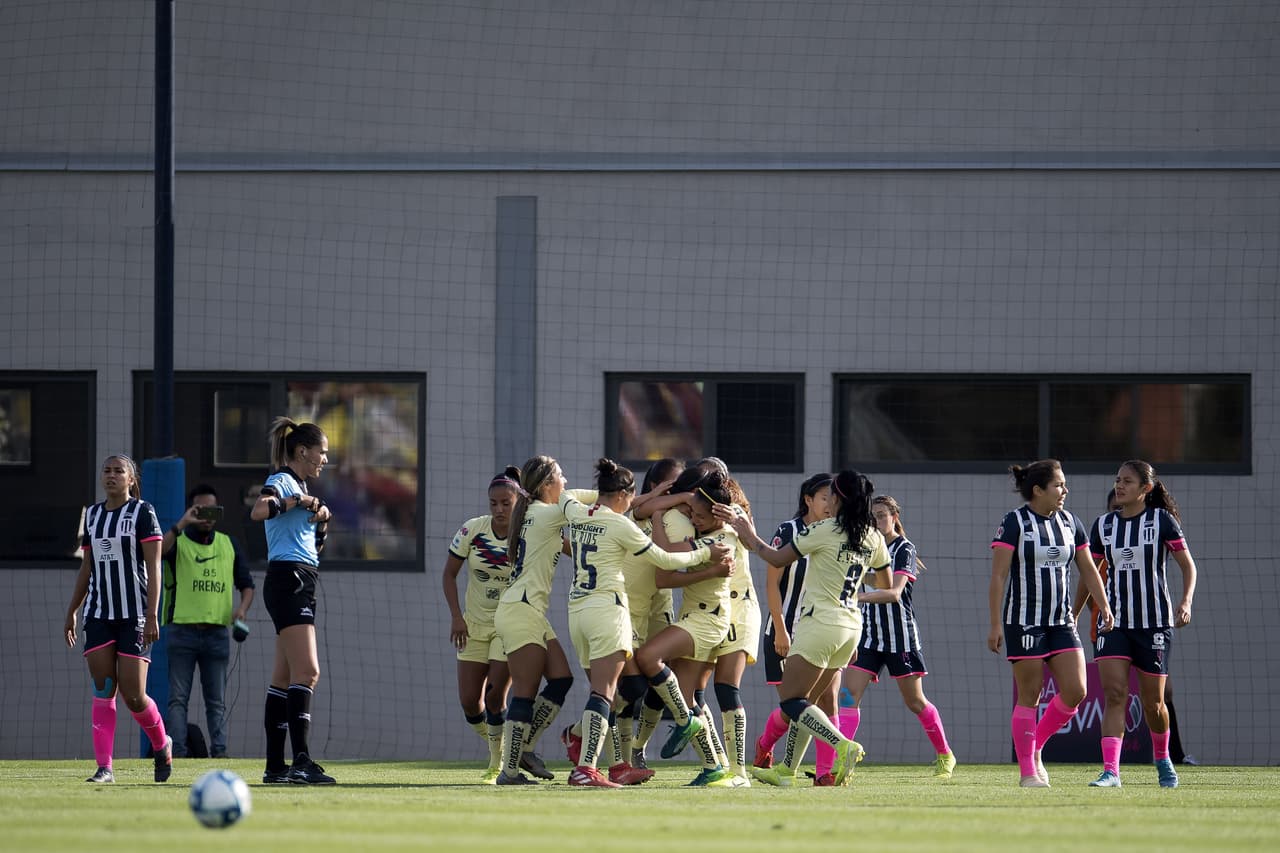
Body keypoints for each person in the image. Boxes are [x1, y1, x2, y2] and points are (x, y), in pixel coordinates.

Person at [562, 458, 728, 787]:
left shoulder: (579, 512)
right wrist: (705, 557)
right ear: (632, 492)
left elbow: (568, 494)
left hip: (580, 610)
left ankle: (613, 759)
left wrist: (632, 499)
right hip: (611, 610)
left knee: (630, 688)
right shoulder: (632, 522)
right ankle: (588, 766)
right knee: (610, 693)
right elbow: (665, 562)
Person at [719, 469, 890, 788]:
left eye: (830, 496)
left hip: (819, 625)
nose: (827, 501)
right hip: (851, 626)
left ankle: (842, 746)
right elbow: (886, 584)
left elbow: (774, 556)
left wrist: (747, 532)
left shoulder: (825, 529)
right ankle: (787, 771)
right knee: (810, 702)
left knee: (792, 700)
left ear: (838, 498)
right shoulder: (872, 536)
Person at [988, 458, 1113, 788]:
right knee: (1030, 694)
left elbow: (1088, 569)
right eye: (1058, 485)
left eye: (1064, 484)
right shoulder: (1014, 522)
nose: (1064, 491)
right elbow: (999, 576)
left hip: (1061, 622)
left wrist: (1104, 606)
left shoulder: (1072, 523)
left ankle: (1036, 744)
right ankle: (1028, 771)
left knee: (1076, 691)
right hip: (1023, 621)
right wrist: (995, 624)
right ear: (1038, 490)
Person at [1081, 461, 1198, 789]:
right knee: (1115, 694)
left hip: (1155, 625)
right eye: (1117, 480)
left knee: (1154, 703)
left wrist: (1185, 602)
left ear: (1146, 488)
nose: (1119, 486)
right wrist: (1074, 612)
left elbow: (1189, 566)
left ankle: (1163, 761)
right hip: (1114, 624)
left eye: (1127, 482)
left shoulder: (1162, 521)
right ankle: (1111, 771)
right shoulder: (1103, 526)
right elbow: (1090, 574)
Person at [63, 454, 173, 783]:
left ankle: (161, 744)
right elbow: (87, 567)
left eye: (119, 471)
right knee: (103, 686)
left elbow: (154, 566)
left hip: (135, 614)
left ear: (131, 479)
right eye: (107, 470)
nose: (111, 475)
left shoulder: (143, 512)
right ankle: (104, 768)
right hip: (99, 613)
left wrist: (152, 613)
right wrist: (72, 609)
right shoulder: (93, 516)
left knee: (134, 694)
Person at [633, 469, 741, 787]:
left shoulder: (718, 543)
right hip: (697, 616)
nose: (693, 518)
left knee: (649, 657)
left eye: (699, 514)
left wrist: (656, 521)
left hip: (708, 620)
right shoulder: (710, 534)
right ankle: (713, 767)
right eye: (691, 512)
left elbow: (664, 575)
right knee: (687, 695)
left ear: (717, 513)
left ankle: (685, 722)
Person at [492, 455, 593, 785]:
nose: (565, 480)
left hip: (528, 610)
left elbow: (572, 547)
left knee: (561, 678)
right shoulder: (548, 513)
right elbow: (581, 503)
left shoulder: (535, 514)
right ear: (547, 485)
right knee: (524, 692)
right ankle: (509, 769)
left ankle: (525, 747)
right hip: (520, 610)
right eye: (560, 476)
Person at [841, 495, 956, 779]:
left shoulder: (904, 548)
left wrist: (857, 595)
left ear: (894, 517)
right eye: (873, 516)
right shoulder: (867, 546)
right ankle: (839, 760)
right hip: (869, 636)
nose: (877, 520)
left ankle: (945, 754)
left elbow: (893, 592)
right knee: (847, 696)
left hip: (899, 637)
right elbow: (869, 577)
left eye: (882, 515)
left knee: (915, 701)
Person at [250, 417, 336, 785]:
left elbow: (311, 545)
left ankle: (275, 766)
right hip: (289, 579)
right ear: (303, 451)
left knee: (283, 678)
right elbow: (258, 511)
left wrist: (322, 522)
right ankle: (301, 761)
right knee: (309, 672)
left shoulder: (299, 485)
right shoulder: (283, 481)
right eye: (322, 452)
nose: (325, 460)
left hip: (300, 578)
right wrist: (299, 500)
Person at [161, 483, 256, 759]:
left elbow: (247, 585)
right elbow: (156, 552)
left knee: (217, 702)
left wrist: (242, 610)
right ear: (191, 510)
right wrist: (181, 523)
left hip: (217, 634)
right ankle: (177, 752)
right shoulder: (178, 541)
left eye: (211, 510)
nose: (205, 516)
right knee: (178, 699)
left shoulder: (229, 544)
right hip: (182, 631)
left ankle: (220, 751)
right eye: (199, 510)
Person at [442, 467, 522, 783]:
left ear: (518, 502)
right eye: (494, 503)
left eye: (506, 503)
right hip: (473, 624)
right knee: (469, 702)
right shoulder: (472, 530)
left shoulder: (527, 533)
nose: (499, 509)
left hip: (509, 625)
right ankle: (501, 746)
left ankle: (495, 764)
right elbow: (448, 575)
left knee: (494, 697)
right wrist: (457, 617)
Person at [753, 473, 832, 771]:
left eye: (834, 499)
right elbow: (772, 584)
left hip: (821, 631)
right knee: (795, 706)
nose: (830, 504)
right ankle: (765, 745)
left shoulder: (836, 534)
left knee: (827, 700)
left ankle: (824, 773)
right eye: (825, 497)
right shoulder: (789, 531)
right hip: (784, 631)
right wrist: (780, 629)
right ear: (808, 500)